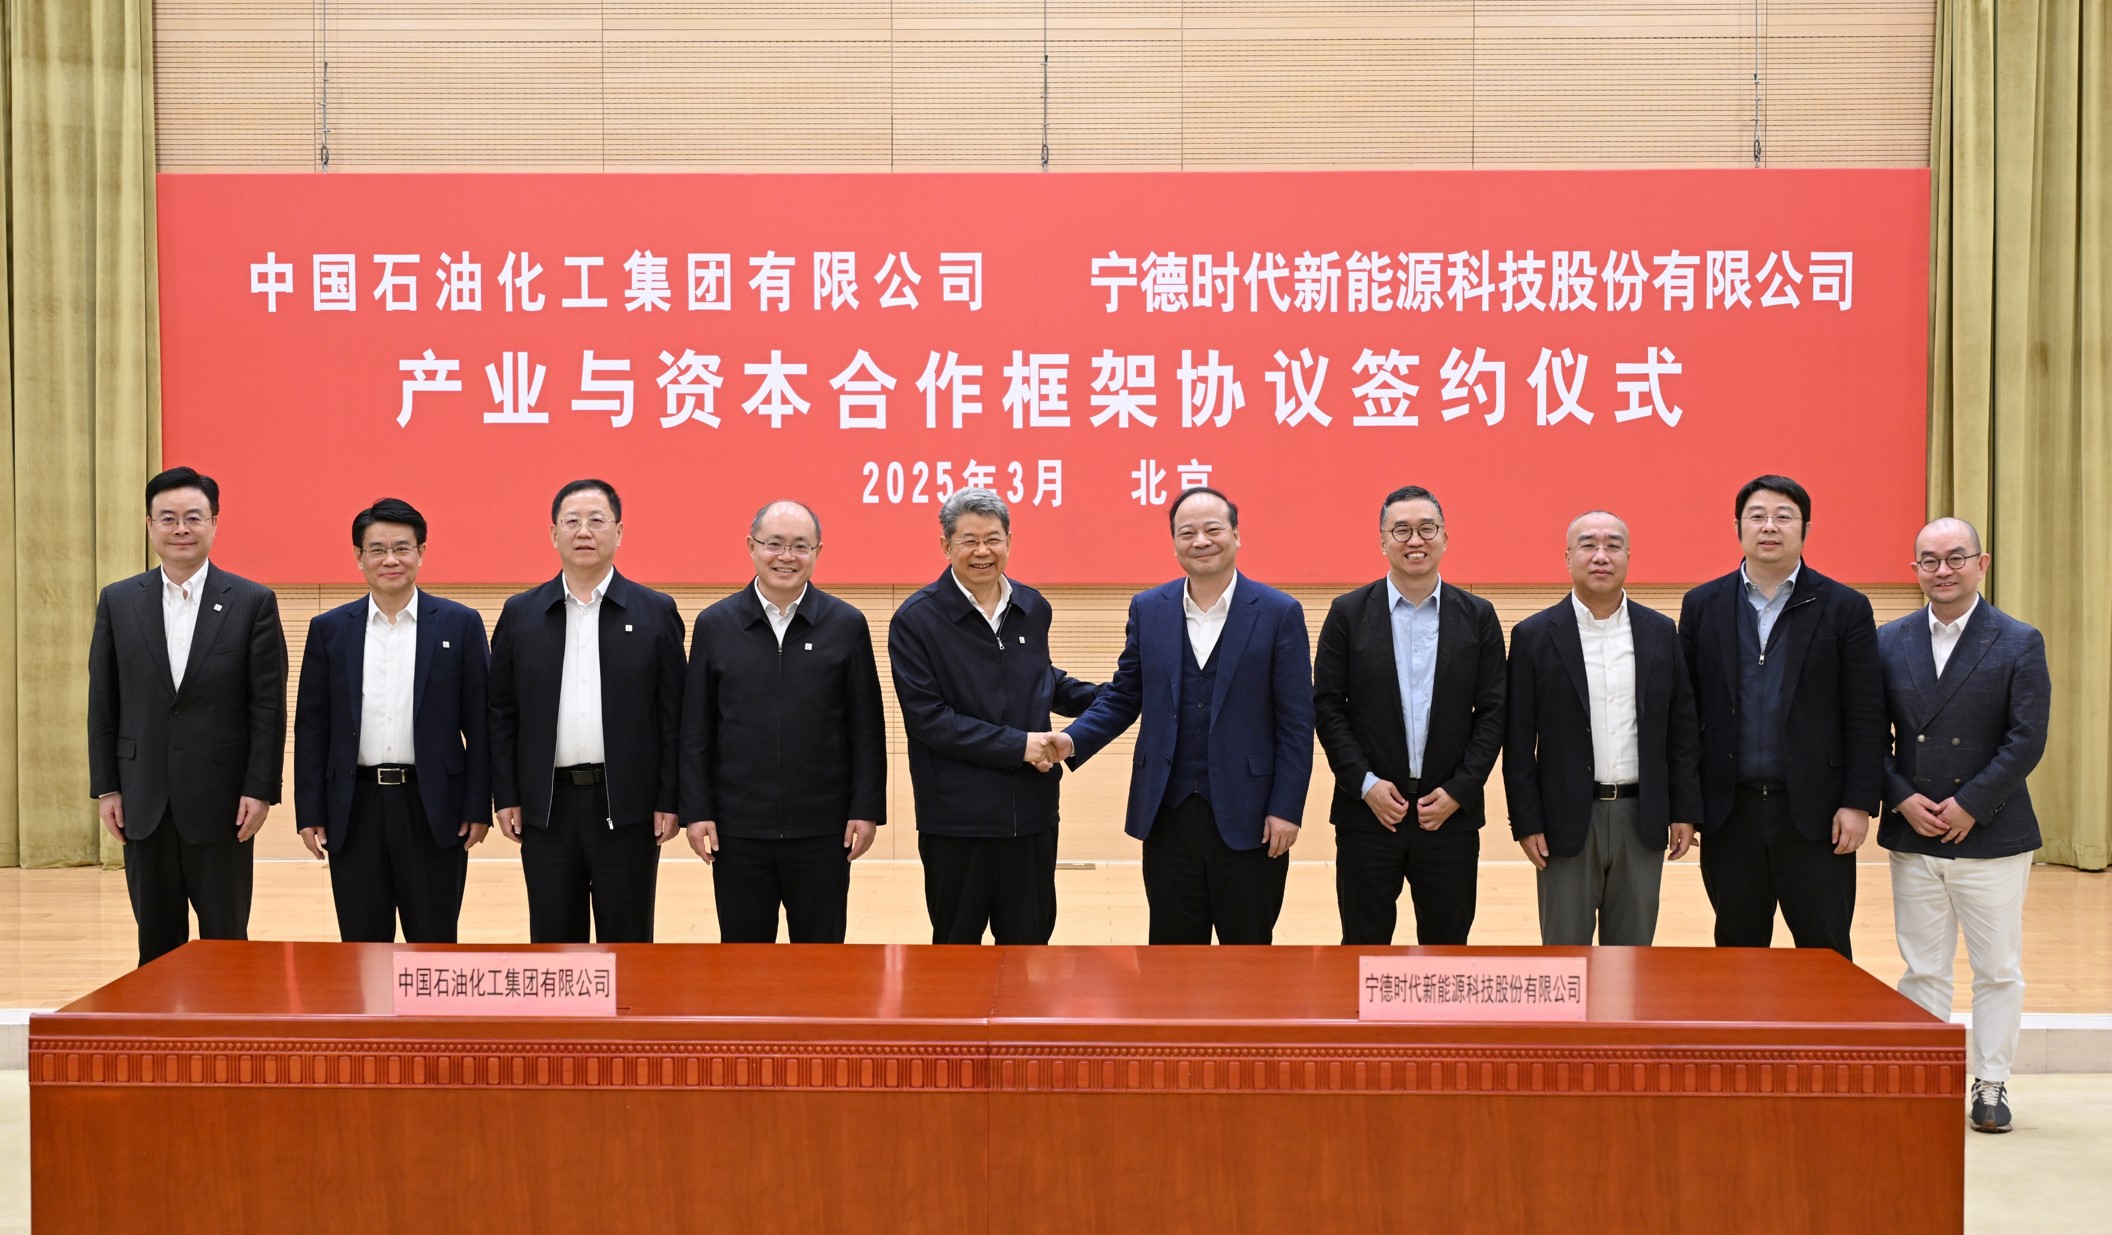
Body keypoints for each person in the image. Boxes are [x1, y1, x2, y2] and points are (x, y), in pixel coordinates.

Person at [1058, 487, 1314, 945]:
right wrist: (1072, 739)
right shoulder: (1148, 609)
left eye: (1213, 529)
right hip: (1167, 812)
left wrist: (1286, 808)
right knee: (1171, 955)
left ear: (1236, 535)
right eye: (1187, 532)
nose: (1201, 541)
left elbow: (1296, 723)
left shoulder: (1279, 613)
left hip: (1252, 816)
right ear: (1174, 543)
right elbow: (1124, 696)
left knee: (1249, 953)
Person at [1877, 517, 2049, 1134]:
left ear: (1982, 563)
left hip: (1992, 834)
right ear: (1915, 570)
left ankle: (1991, 1082)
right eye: (1929, 560)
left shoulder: (2018, 640)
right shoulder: (1888, 640)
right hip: (1915, 830)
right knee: (1923, 967)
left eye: (1955, 557)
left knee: (1997, 968)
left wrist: (1971, 804)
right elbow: (1866, 734)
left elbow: (2026, 739)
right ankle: (1927, 1077)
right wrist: (1901, 798)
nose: (1942, 570)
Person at [88, 466, 288, 966]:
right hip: (143, 798)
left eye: (194, 517)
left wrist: (260, 788)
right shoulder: (118, 601)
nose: (181, 529)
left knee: (226, 941)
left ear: (214, 523)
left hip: (223, 804)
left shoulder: (252, 602)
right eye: (168, 518)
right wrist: (107, 787)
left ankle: (229, 1018)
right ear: (149, 525)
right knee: (156, 944)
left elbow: (267, 706)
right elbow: (104, 702)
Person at [1679, 474, 1885, 957]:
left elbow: (1866, 714)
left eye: (1783, 517)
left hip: (1816, 815)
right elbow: (1685, 714)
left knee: (1825, 953)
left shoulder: (1845, 607)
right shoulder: (1703, 605)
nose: (1769, 526)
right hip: (1730, 813)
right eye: (1757, 516)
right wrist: (1685, 805)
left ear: (1805, 528)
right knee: (1737, 950)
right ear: (1738, 527)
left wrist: (1858, 803)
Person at [888, 488, 1098, 945]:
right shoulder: (916, 619)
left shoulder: (1032, 606)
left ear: (1009, 541)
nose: (982, 551)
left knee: (1030, 951)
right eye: (968, 540)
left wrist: (1108, 697)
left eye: (992, 539)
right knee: (956, 954)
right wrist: (1019, 746)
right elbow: (929, 719)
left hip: (1032, 816)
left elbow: (1038, 680)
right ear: (946, 545)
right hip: (956, 821)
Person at [489, 479, 684, 943]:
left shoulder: (656, 612)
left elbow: (673, 716)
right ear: (553, 533)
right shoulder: (521, 614)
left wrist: (669, 798)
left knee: (628, 941)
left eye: (597, 520)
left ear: (619, 532)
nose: (583, 531)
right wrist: (507, 794)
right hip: (547, 808)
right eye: (571, 521)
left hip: (628, 807)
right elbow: (501, 713)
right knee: (554, 943)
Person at [681, 500, 885, 943]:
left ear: (818, 552)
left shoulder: (846, 624)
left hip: (824, 831)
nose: (786, 557)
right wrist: (696, 811)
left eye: (800, 546)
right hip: (737, 831)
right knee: (743, 962)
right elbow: (696, 730)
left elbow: (866, 728)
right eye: (774, 544)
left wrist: (865, 809)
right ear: (752, 546)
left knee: (821, 960)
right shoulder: (715, 625)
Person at [292, 498, 491, 943]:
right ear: (358, 556)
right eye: (377, 549)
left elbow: (481, 725)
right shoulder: (330, 629)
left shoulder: (459, 624)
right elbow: (312, 727)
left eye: (402, 548)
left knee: (434, 945)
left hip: (433, 806)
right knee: (362, 947)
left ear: (421, 552)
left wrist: (478, 805)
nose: (391, 559)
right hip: (354, 807)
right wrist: (310, 810)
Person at [1313, 484, 1504, 945]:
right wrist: (1365, 785)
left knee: (1447, 950)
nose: (1415, 540)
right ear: (1383, 541)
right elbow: (1327, 707)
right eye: (1401, 530)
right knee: (1362, 948)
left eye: (1427, 528)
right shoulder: (1347, 614)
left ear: (1445, 538)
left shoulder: (1478, 615)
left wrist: (1460, 790)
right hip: (1368, 816)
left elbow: (1494, 712)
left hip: (1449, 817)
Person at [1502, 511, 1702, 945]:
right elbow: (1517, 742)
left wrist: (1684, 809)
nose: (1600, 555)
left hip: (1641, 818)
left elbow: (1682, 730)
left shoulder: (1659, 631)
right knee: (1565, 963)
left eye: (1613, 545)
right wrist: (1526, 821)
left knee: (1631, 961)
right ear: (1567, 557)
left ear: (1628, 556)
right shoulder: (1534, 636)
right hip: (1564, 822)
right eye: (1588, 545)